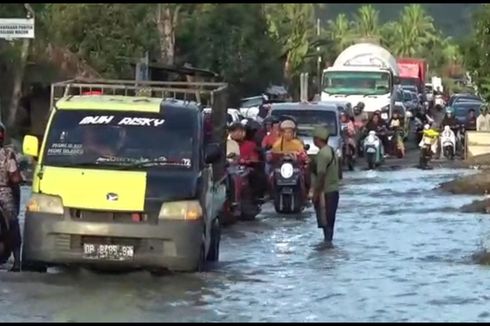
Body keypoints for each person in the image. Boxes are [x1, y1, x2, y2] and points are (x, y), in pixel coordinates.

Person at [309, 125, 340, 244]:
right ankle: (328, 244)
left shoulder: (322, 154)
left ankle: (327, 245)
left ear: (317, 139)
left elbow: (321, 174)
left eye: (314, 138)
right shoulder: (332, 151)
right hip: (334, 190)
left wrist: (315, 193)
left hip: (325, 192)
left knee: (325, 221)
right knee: (330, 221)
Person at [0, 124, 22, 271]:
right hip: (4, 193)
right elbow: (15, 179)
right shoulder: (8, 154)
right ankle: (17, 261)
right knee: (13, 223)